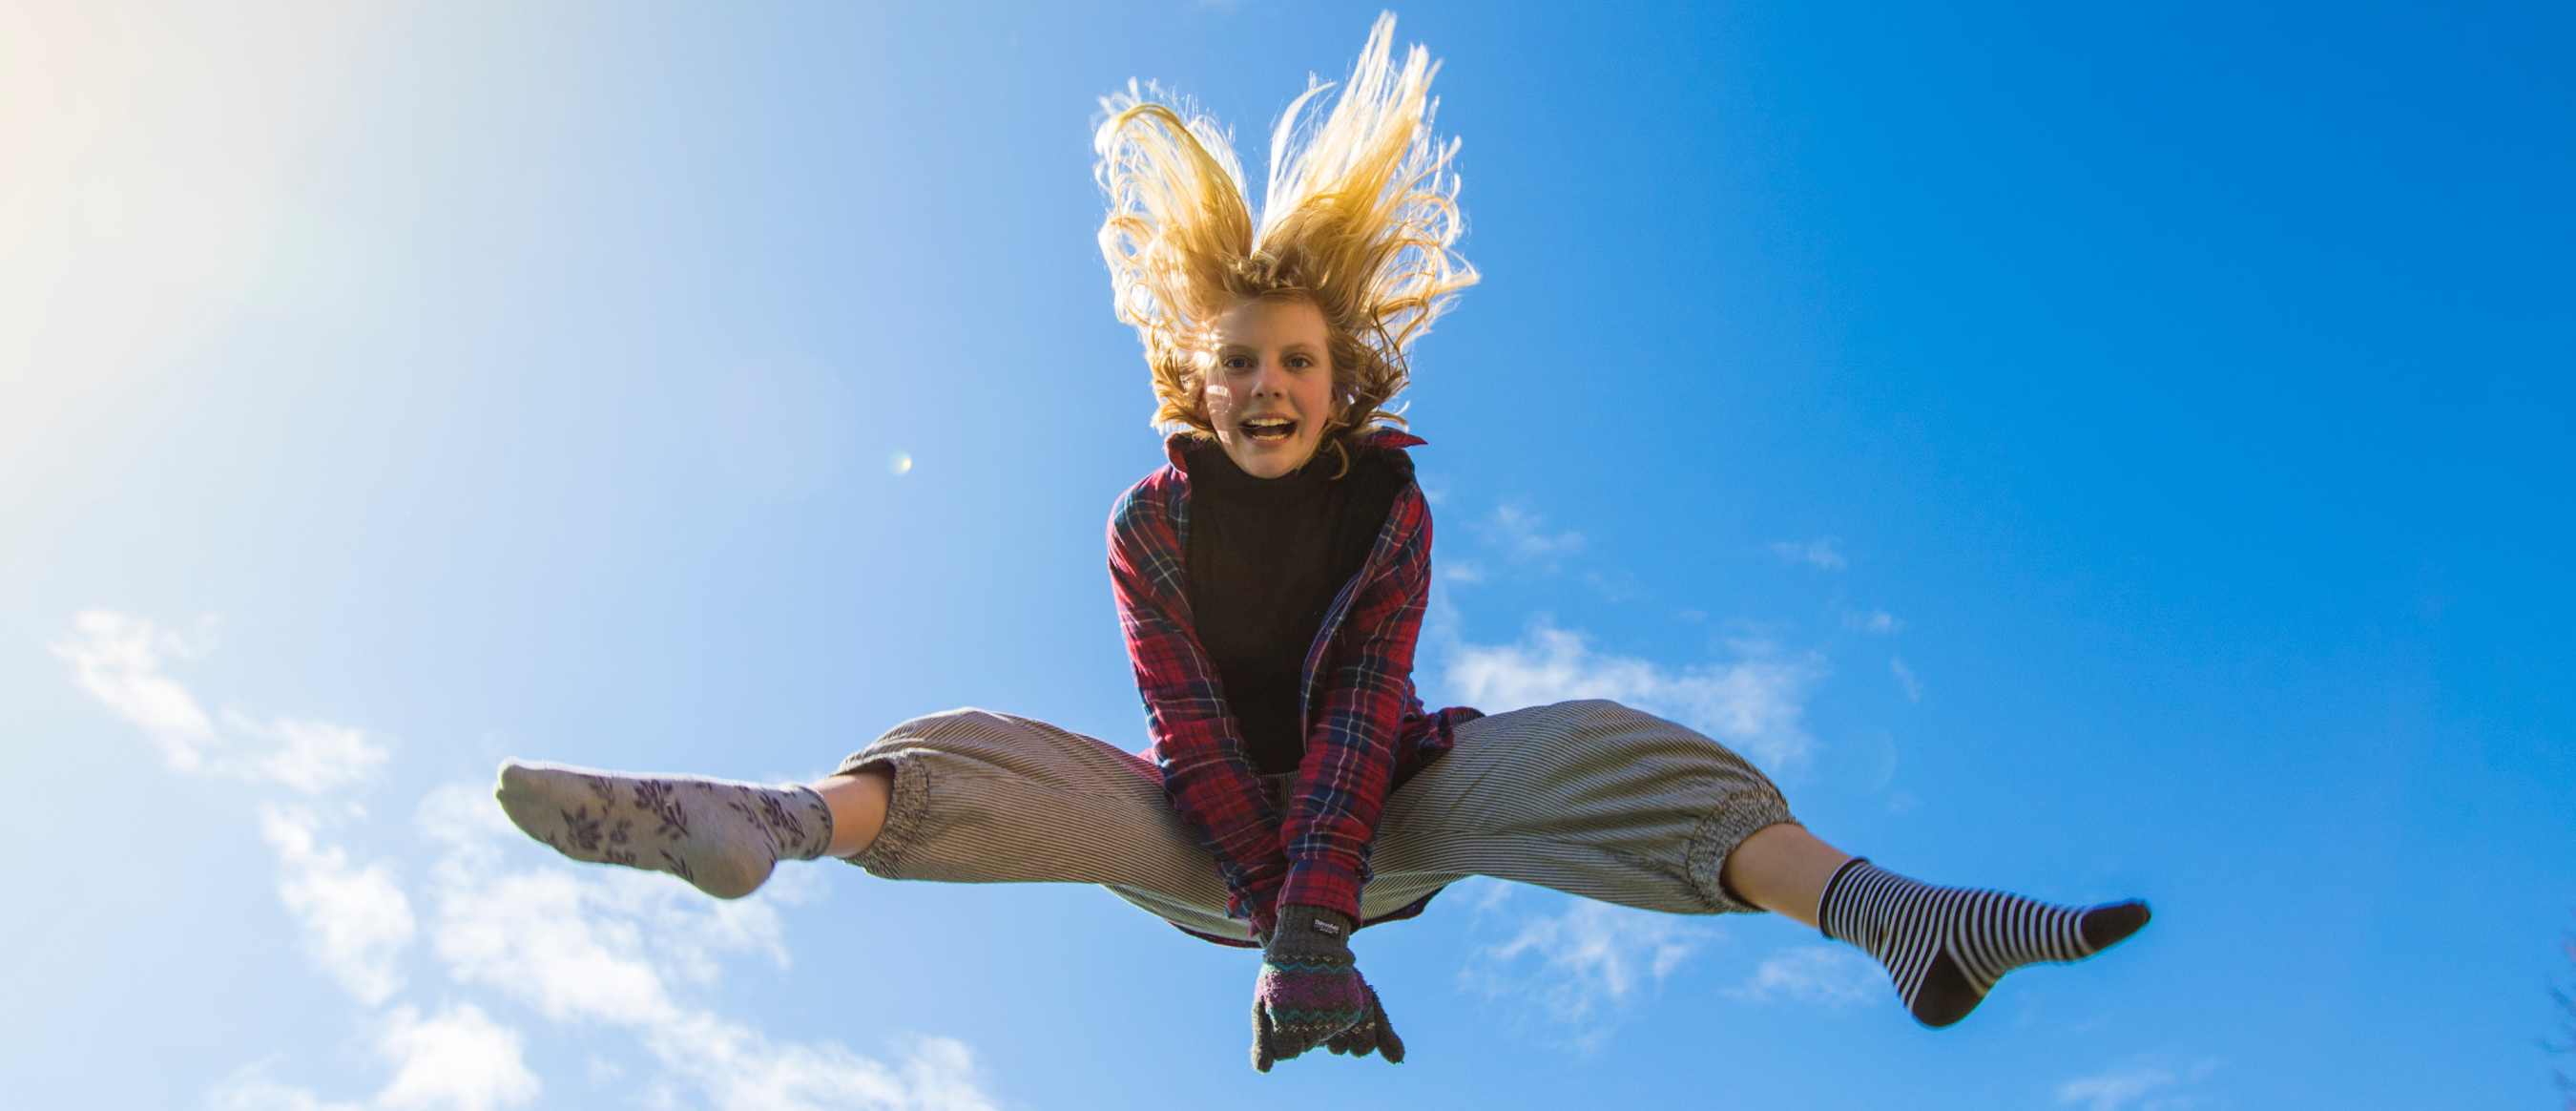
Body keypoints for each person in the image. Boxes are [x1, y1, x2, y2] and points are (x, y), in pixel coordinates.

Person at [493, 15, 2150, 1072]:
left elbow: (1363, 718)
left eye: (1297, 363)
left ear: (1339, 378)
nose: (1269, 387)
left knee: (1584, 747)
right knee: (995, 751)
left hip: (1382, 837)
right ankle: (768, 818)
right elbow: (1191, 733)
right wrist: (1273, 918)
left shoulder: (1385, 511)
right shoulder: (1151, 527)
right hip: (1207, 843)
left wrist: (1321, 934)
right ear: (1191, 384)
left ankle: (1892, 917)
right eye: (1240, 365)